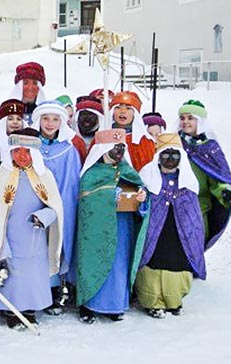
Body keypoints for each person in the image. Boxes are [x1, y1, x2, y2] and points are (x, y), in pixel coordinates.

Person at [0, 129, 64, 329]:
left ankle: (30, 308)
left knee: (31, 272)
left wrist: (44, 217)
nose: (22, 156)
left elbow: (55, 207)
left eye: (27, 151)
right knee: (11, 270)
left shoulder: (44, 176)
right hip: (9, 235)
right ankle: (11, 309)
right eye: (17, 151)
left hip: (34, 235)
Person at [76, 128, 148, 324]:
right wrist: (109, 195)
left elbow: (141, 191)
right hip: (95, 230)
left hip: (122, 228)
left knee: (118, 264)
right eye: (115, 147)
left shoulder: (127, 171)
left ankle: (115, 305)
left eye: (122, 147)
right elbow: (86, 200)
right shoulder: (91, 173)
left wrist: (142, 196)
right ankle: (89, 304)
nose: (119, 151)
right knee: (94, 262)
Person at [136, 133, 204, 319]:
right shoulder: (147, 177)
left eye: (175, 155)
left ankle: (174, 301)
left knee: (177, 263)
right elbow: (139, 207)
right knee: (153, 262)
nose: (170, 160)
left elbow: (193, 213)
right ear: (159, 157)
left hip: (179, 233)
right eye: (166, 155)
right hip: (154, 233)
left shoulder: (188, 181)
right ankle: (152, 302)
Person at [29, 102, 83, 313]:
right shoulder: (29, 147)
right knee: (34, 247)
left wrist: (59, 207)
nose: (50, 124)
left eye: (55, 119)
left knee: (56, 244)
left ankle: (55, 290)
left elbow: (71, 182)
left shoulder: (68, 150)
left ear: (62, 122)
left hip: (61, 204)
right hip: (33, 204)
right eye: (45, 118)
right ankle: (34, 291)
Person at [176, 100, 231, 248]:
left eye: (190, 118)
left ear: (200, 121)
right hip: (174, 202)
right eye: (182, 118)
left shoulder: (210, 147)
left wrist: (224, 190)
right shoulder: (174, 143)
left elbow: (218, 175)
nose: (185, 122)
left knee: (193, 245)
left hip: (199, 205)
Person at [109, 91, 155, 172]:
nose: (123, 111)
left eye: (128, 108)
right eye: (118, 107)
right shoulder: (102, 137)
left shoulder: (145, 142)